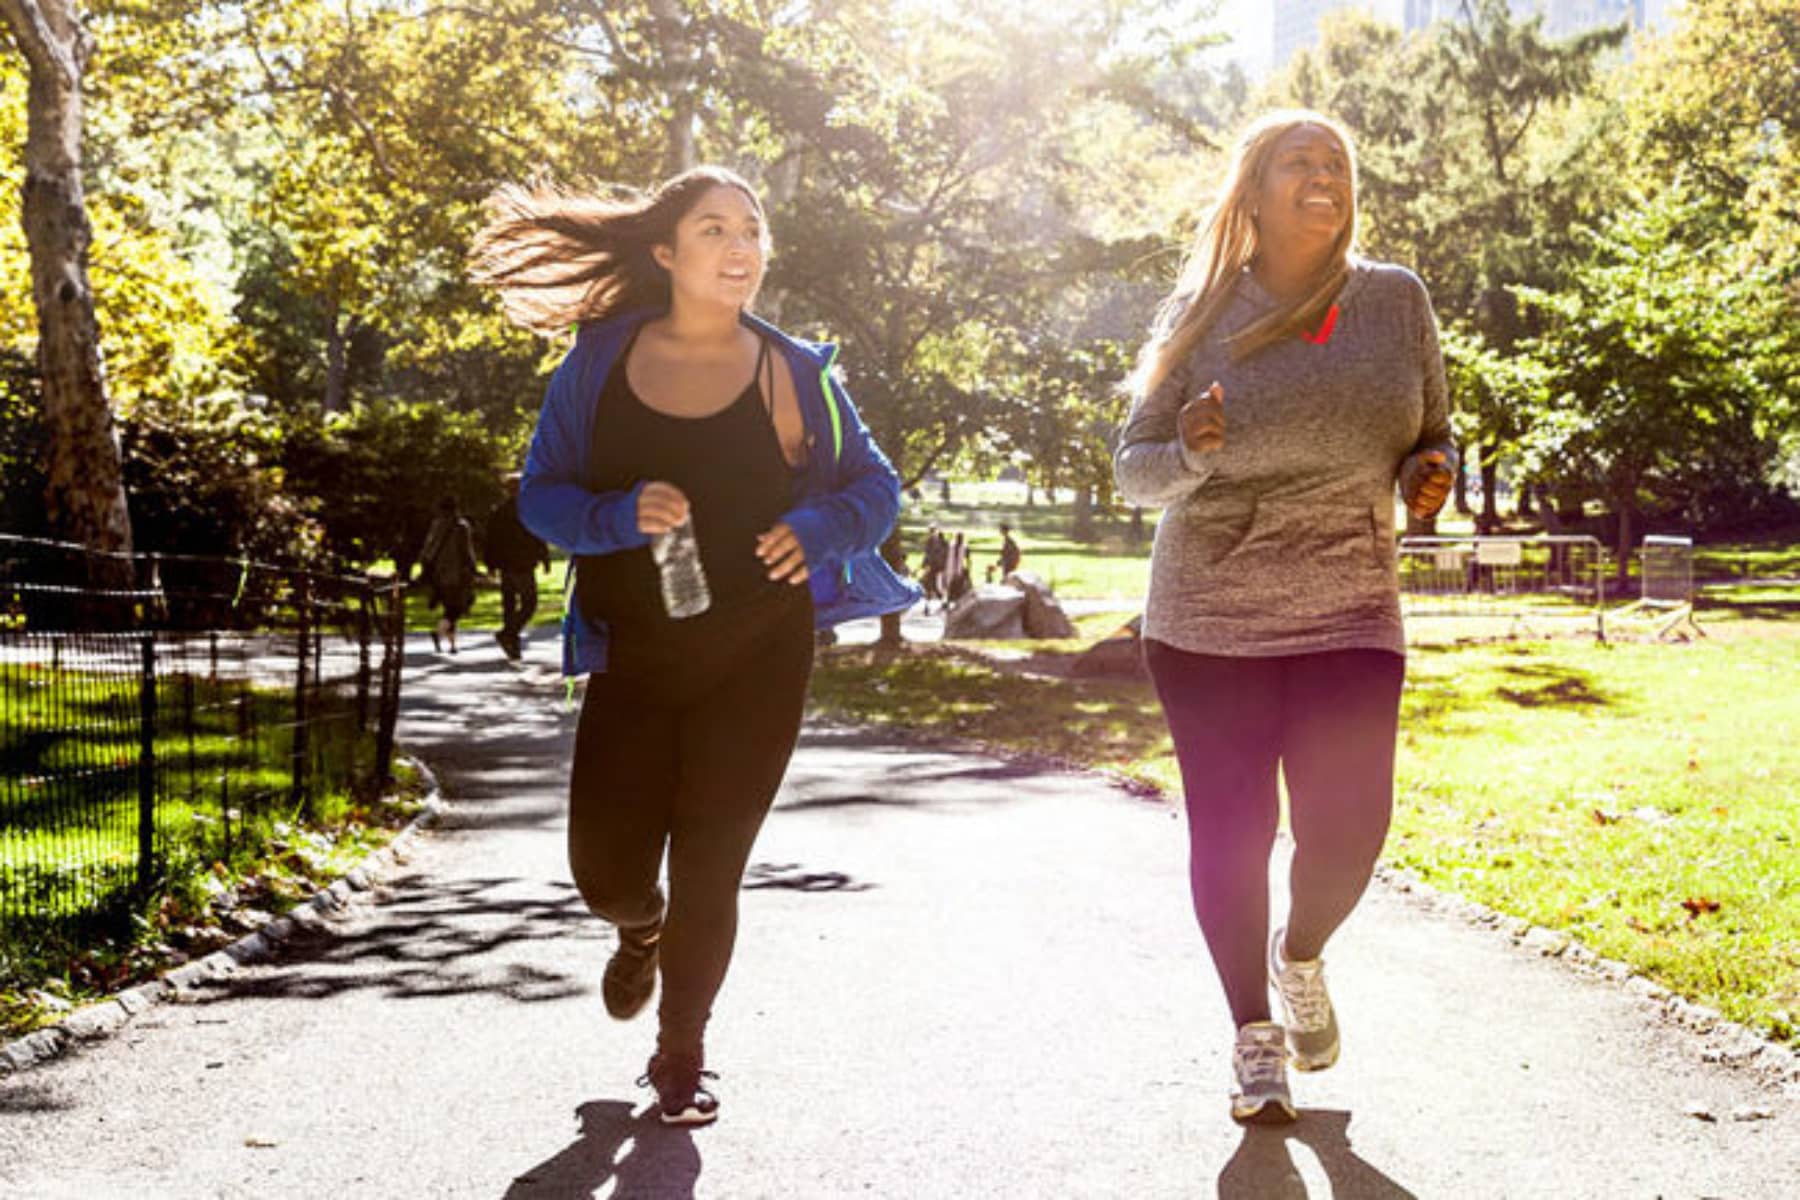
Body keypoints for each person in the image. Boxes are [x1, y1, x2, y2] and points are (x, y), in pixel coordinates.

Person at [470, 166, 918, 1126]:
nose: (741, 246)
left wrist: (823, 528)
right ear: (667, 252)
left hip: (759, 652)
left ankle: (681, 1059)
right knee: (607, 873)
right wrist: (616, 513)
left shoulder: (792, 371)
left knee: (713, 862)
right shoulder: (598, 364)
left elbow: (877, 490)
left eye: (753, 230)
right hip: (636, 654)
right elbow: (540, 494)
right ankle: (640, 928)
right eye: (715, 229)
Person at [1113, 110, 1455, 1125]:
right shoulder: (1202, 309)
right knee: (1233, 829)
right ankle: (1252, 1035)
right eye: (1296, 162)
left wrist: (1428, 475)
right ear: (1253, 192)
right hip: (1210, 616)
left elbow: (1433, 432)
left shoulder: (1396, 301)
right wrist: (1191, 451)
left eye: (1336, 163)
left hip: (1351, 601)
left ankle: (1300, 954)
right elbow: (1134, 471)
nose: (1322, 176)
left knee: (1349, 832)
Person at [483, 473, 552, 660]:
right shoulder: (528, 510)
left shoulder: (500, 511)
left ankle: (511, 642)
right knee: (529, 602)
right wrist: (544, 558)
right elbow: (538, 535)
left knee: (510, 604)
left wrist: (490, 563)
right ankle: (509, 634)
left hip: (507, 564)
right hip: (522, 563)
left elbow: (490, 540)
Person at [417, 495, 479, 654]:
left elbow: (427, 550)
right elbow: (467, 551)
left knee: (449, 608)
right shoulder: (461, 526)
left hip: (438, 574)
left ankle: (452, 645)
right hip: (456, 574)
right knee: (456, 609)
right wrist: (473, 568)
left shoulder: (436, 525)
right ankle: (439, 634)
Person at [920, 525, 949, 612]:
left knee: (938, 586)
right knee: (929, 586)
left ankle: (943, 602)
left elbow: (945, 555)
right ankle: (927, 606)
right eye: (930, 531)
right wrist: (924, 564)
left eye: (933, 531)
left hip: (939, 567)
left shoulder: (943, 542)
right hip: (932, 567)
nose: (931, 533)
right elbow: (927, 554)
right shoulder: (929, 542)